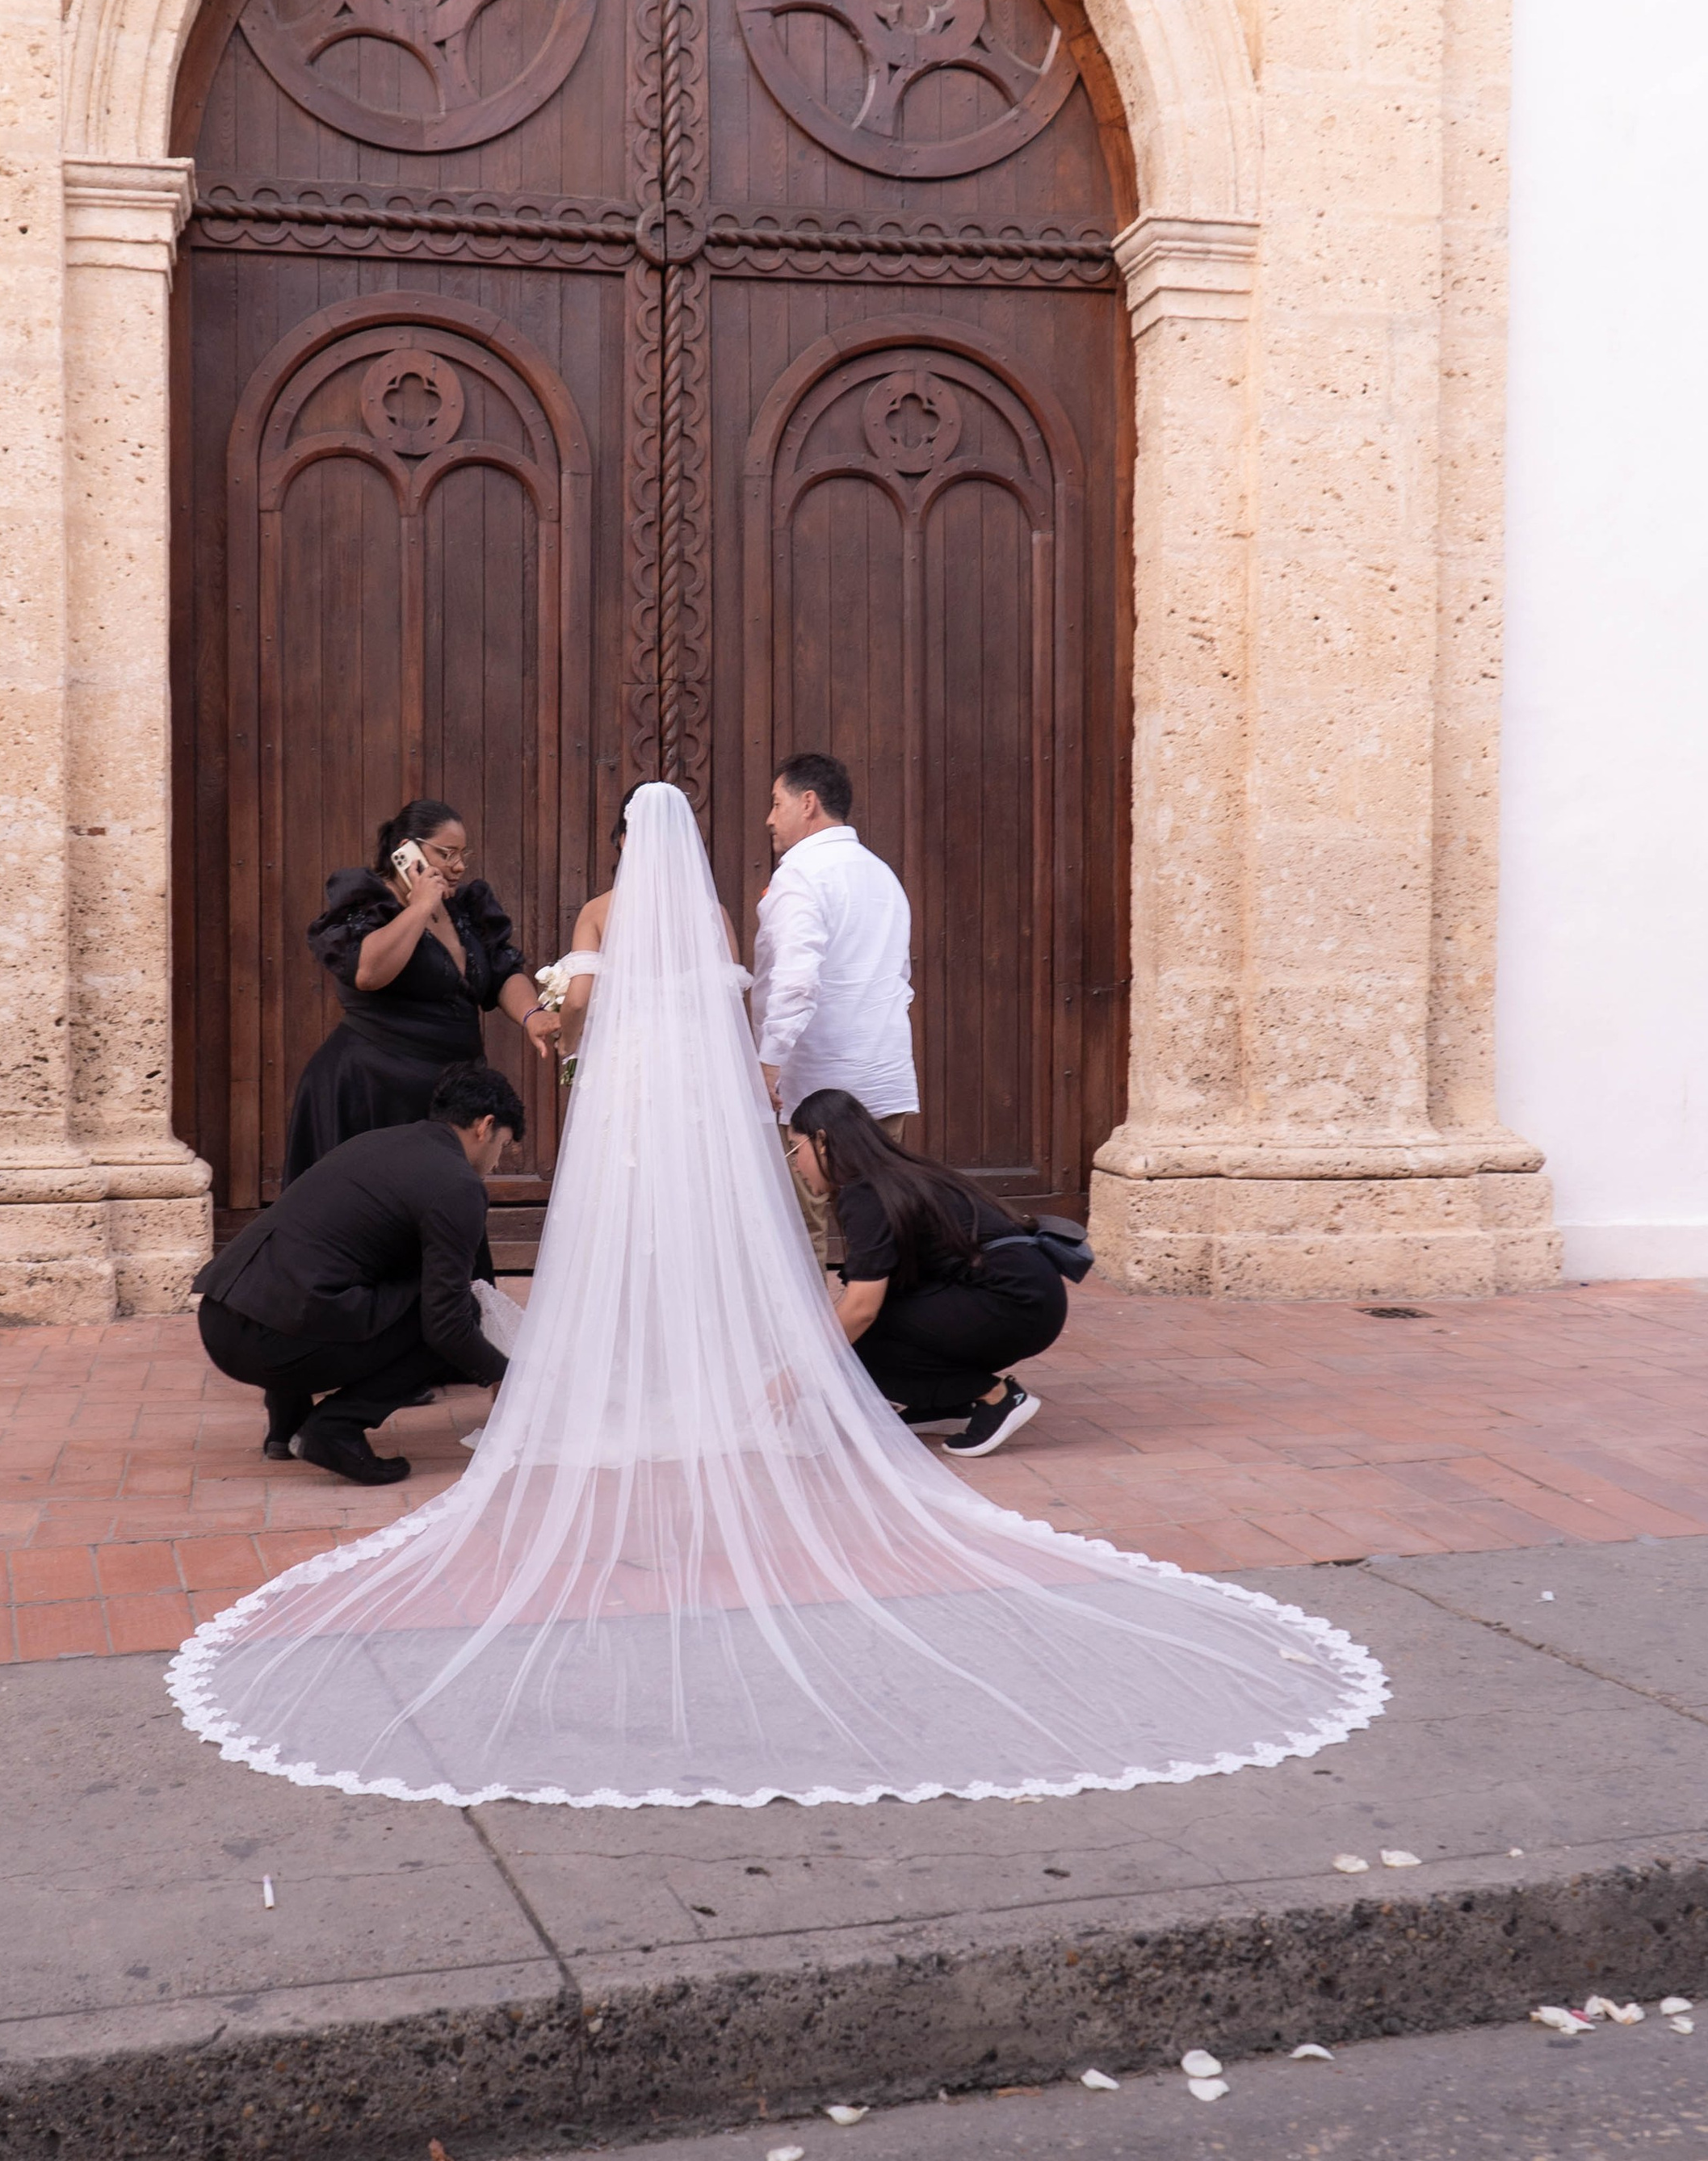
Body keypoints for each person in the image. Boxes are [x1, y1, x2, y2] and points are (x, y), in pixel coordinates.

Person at [168, 785, 1384, 1811]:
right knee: (680, 1249)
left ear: (620, 854)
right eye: (447, 857)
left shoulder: (601, 910)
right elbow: (706, 1000)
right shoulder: (699, 909)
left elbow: (572, 1012)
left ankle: (579, 1381)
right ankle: (704, 1377)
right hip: (681, 1110)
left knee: (616, 1255)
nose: (457, 869)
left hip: (625, 1110)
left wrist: (563, 1018)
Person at [193, 1064, 522, 1487]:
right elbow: (446, 1324)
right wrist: (506, 1377)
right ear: (486, 1126)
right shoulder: (457, 1184)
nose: (496, 1164)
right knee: (454, 1314)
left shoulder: (379, 1142)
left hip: (220, 1318)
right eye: (505, 1146)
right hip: (275, 1344)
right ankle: (334, 1429)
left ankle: (287, 1425)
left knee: (333, 1275)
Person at [282, 800, 560, 1186]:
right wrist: (420, 906)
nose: (459, 866)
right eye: (447, 854)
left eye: (463, 855)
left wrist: (532, 1015)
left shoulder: (464, 907)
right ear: (405, 851)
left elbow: (501, 970)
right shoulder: (368, 902)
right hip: (373, 1090)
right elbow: (368, 972)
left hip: (443, 1095)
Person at [786, 1089, 1065, 1458]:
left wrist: (796, 1372)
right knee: (860, 1331)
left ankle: (998, 1397)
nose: (794, 1164)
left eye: (794, 1149)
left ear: (822, 1142)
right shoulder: (892, 1174)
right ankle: (946, 1404)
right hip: (1033, 1298)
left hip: (1014, 1305)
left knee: (859, 1339)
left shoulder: (866, 1192)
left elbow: (861, 1308)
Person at [750, 753, 917, 1268]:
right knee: (882, 1221)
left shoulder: (801, 874)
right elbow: (900, 979)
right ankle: (883, 1338)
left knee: (801, 1228)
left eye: (777, 804)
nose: (770, 819)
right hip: (884, 1075)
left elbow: (796, 981)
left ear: (808, 803)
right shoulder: (882, 874)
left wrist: (770, 1060)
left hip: (816, 1086)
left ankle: (812, 1345)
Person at [555, 779, 741, 1068]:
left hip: (626, 1065)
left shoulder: (596, 912)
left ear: (624, 839)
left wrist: (567, 1042)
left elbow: (578, 999)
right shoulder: (714, 914)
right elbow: (731, 1005)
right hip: (696, 1063)